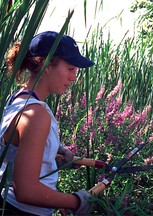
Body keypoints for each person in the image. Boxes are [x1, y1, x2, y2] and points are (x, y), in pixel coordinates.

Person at [0, 31, 96, 215]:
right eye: (70, 69)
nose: (74, 77)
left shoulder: (18, 100)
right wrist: (75, 201)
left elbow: (17, 155)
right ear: (46, 64)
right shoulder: (35, 114)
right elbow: (26, 191)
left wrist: (53, 156)